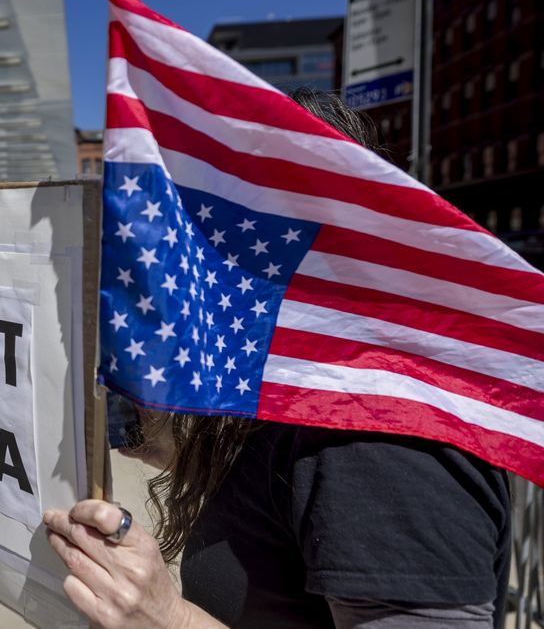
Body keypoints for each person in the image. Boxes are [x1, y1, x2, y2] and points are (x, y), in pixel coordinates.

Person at [44, 89, 511, 628]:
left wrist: (166, 619)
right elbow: (276, 501)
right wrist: (159, 433)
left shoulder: (378, 438)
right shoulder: (298, 384)